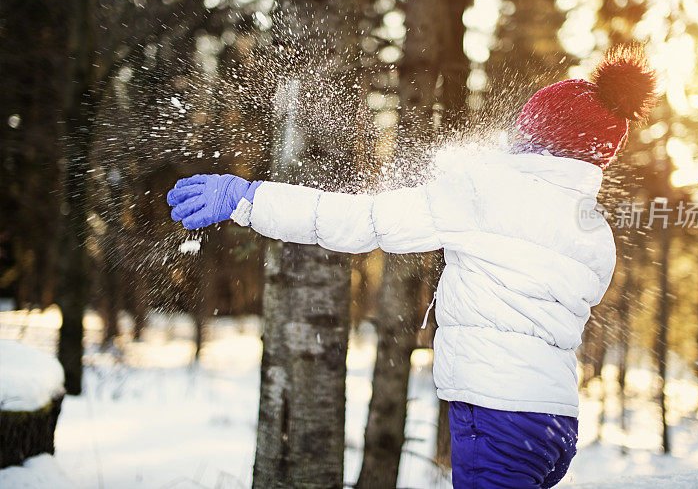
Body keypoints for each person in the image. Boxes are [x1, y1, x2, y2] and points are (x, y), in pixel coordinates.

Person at [166, 45, 657, 488]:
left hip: (496, 416)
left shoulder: (486, 191)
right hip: (555, 424)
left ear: (537, 133)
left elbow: (364, 221)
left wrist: (251, 199)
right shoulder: (594, 230)